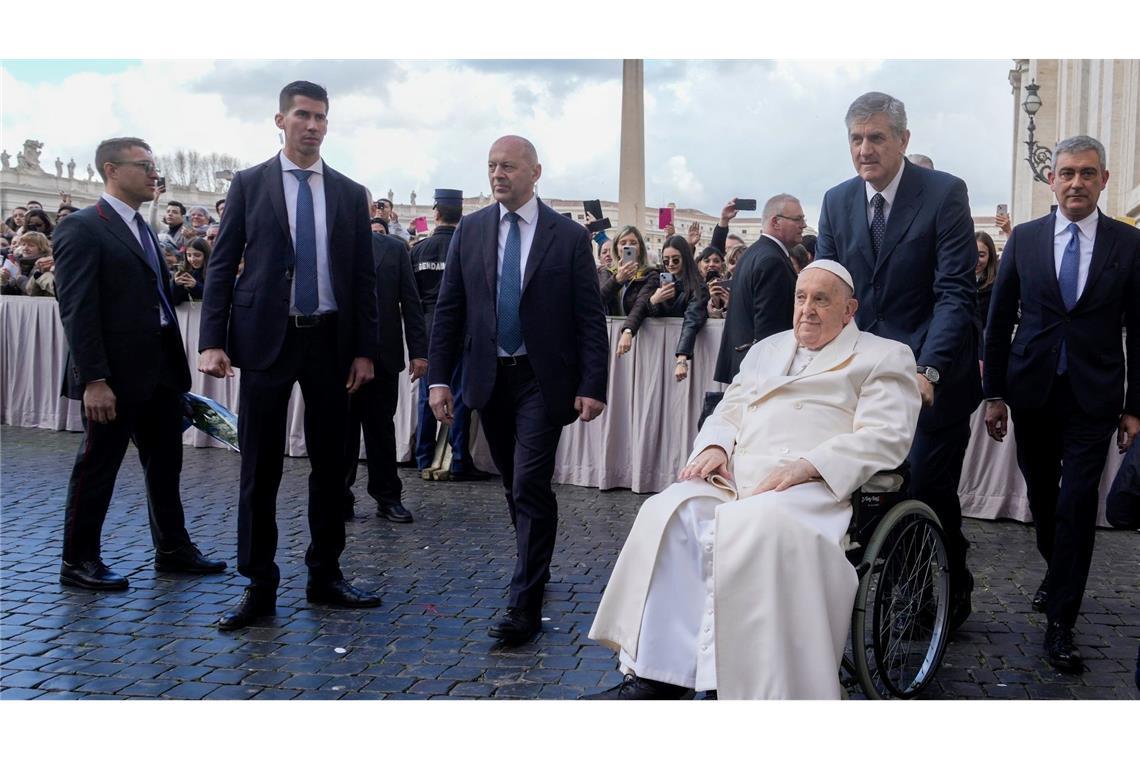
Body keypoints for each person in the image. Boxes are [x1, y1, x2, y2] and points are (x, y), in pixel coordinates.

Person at [585, 261, 921, 699]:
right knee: (670, 510)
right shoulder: (767, 349)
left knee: (756, 526)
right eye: (801, 298)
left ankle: (744, 687)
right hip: (737, 473)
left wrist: (810, 465)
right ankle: (659, 673)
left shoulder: (884, 355)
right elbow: (730, 407)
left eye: (822, 299)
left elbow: (885, 436)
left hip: (812, 485)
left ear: (849, 309)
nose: (807, 310)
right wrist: (715, 446)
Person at [198, 80, 381, 631]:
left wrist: (366, 350)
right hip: (264, 341)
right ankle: (259, 584)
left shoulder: (349, 193)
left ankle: (325, 575)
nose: (313, 126)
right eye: (302, 115)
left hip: (329, 342)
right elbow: (222, 263)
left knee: (331, 468)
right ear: (280, 120)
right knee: (260, 468)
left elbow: (364, 279)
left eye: (321, 117)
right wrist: (212, 339)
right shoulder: (250, 185)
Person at [427, 135, 609, 645]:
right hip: (488, 379)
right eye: (491, 166)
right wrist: (440, 378)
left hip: (541, 380)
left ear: (535, 172)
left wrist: (593, 384)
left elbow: (589, 318)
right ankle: (537, 562)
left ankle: (523, 601)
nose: (497, 174)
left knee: (529, 483)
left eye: (507, 166)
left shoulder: (567, 237)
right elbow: (450, 310)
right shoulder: (472, 229)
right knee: (514, 484)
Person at [815, 91, 981, 629]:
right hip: (866, 377)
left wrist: (927, 370)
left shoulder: (943, 193)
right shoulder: (838, 200)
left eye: (877, 138)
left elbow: (954, 292)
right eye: (857, 139)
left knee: (929, 489)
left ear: (903, 141)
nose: (865, 149)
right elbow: (832, 290)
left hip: (934, 373)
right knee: (873, 490)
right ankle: (894, 594)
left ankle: (950, 585)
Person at [982, 135, 1140, 673]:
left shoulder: (1128, 243)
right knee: (1045, 502)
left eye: (1087, 173)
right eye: (1067, 173)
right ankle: (1058, 571)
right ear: (1052, 180)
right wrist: (995, 394)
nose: (1076, 182)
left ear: (1104, 180)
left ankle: (1062, 624)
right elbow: (999, 320)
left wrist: (1135, 406)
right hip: (1033, 392)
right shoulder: (1024, 240)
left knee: (1077, 504)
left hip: (1095, 398)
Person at [51, 136, 226, 591]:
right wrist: (93, 379)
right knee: (97, 467)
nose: (155, 175)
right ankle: (78, 560)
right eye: (145, 166)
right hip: (115, 377)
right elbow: (77, 310)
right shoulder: (82, 228)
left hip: (161, 372)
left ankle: (172, 548)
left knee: (166, 465)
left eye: (155, 167)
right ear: (112, 169)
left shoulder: (142, 226)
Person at [344, 192, 428, 522]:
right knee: (342, 432)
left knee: (381, 431)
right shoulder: (329, 246)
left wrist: (419, 352)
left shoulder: (394, 249)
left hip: (384, 356)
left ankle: (387, 496)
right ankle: (340, 495)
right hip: (339, 358)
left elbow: (411, 302)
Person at [409, 189, 487, 482]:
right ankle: (457, 460)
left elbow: (410, 296)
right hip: (464, 327)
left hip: (428, 326)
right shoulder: (469, 247)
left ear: (436, 213)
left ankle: (423, 456)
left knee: (429, 394)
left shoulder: (418, 250)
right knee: (461, 395)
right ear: (460, 214)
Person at [712, 193, 804, 386]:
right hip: (760, 372)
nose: (803, 225)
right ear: (776, 222)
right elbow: (771, 331)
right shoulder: (772, 260)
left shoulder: (754, 253)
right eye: (798, 219)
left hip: (746, 365)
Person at [647, 236, 709, 382]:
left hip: (687, 351)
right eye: (666, 260)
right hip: (656, 350)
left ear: (685, 258)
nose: (670, 264)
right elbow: (639, 309)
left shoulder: (698, 285)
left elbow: (692, 320)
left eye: (675, 259)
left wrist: (682, 358)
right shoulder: (657, 280)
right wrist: (654, 300)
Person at [974, 231, 998, 361]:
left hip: (986, 349)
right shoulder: (956, 282)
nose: (976, 260)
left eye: (981, 255)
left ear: (990, 256)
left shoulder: (997, 284)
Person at [171, 237, 209, 304]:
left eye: (197, 255)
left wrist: (196, 286)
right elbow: (174, 301)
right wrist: (176, 284)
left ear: (205, 255)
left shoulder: (214, 272)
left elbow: (215, 296)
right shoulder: (184, 271)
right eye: (189, 255)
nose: (192, 259)